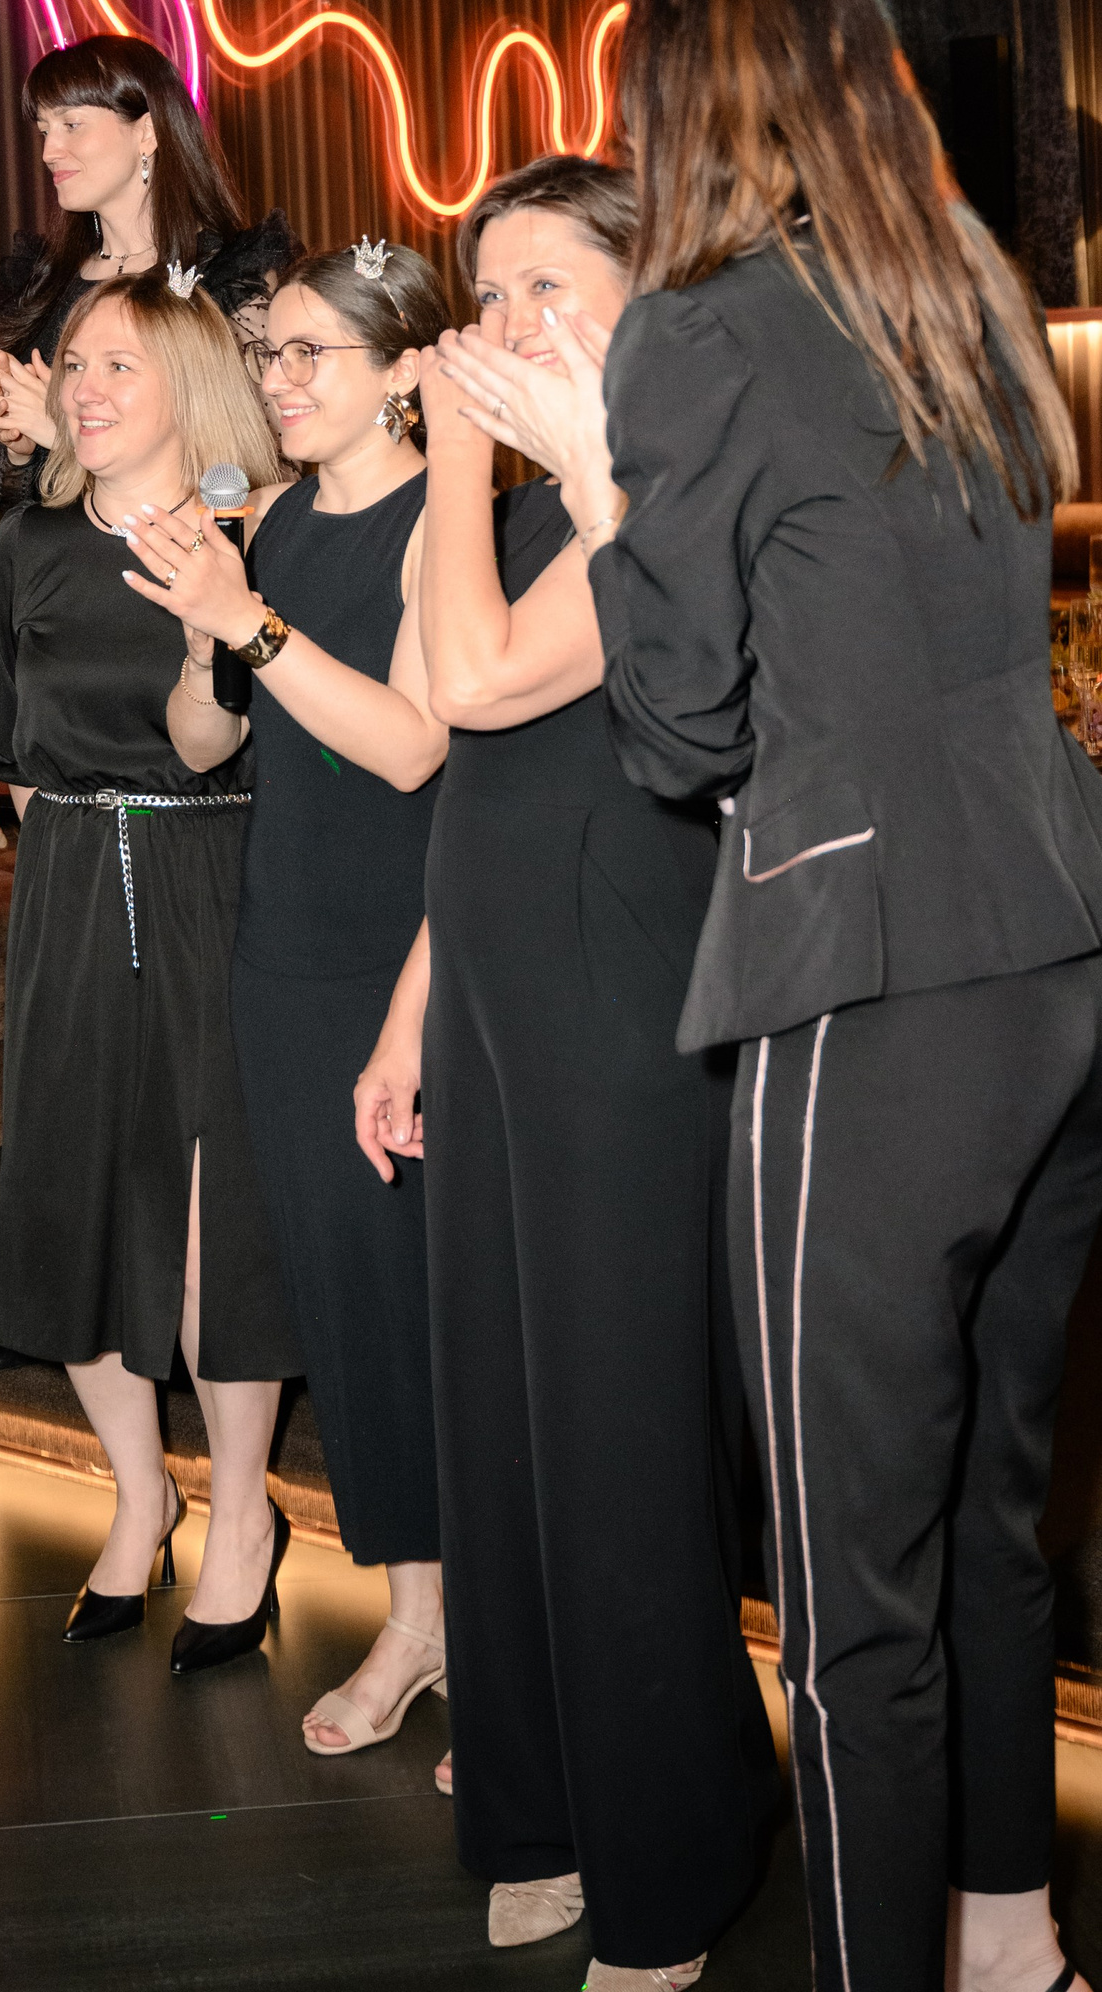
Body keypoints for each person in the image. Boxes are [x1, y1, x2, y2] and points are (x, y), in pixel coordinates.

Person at [444, 0, 1102, 1992]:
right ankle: (1012, 1943)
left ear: (675, 89)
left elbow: (681, 732)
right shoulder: (966, 282)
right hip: (1061, 946)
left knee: (846, 1604)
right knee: (989, 1514)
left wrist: (594, 482)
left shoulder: (699, 331)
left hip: (863, 976)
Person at [354, 155, 777, 1991]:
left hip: (623, 1009)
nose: (506, 323)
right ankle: (535, 1809)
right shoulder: (523, 517)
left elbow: (472, 682)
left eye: (548, 287)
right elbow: (457, 778)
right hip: (492, 1005)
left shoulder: (658, 497)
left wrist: (454, 448)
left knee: (616, 1444)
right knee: (500, 1427)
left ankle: (673, 1858)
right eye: (490, 292)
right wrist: (410, 1011)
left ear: (644, 302)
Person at [118, 238, 451, 1757]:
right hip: (284, 953)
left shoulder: (454, 526)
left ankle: (500, 1625)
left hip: (418, 960)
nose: (279, 378)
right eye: (273, 351)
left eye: (316, 351)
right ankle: (418, 1621)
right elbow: (204, 744)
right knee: (353, 1311)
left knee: (442, 1308)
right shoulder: (273, 525)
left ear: (404, 373)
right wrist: (210, 634)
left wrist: (250, 621)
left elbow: (411, 746)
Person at [0, 273, 303, 1670]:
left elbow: (222, 739)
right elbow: (7, 741)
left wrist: (206, 626)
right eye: (74, 365)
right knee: (74, 1209)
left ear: (189, 386)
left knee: (213, 1235)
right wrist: (63, 845)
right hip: (65, 883)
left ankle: (244, 1517)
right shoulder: (30, 541)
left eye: (118, 364)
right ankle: (138, 1494)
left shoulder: (251, 535)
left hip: (213, 878)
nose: (84, 387)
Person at [0, 34, 292, 506]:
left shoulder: (226, 276)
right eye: (45, 130)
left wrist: (66, 435)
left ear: (147, 132)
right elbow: (12, 499)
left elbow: (264, 473)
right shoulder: (44, 283)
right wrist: (21, 449)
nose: (49, 151)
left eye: (72, 124)